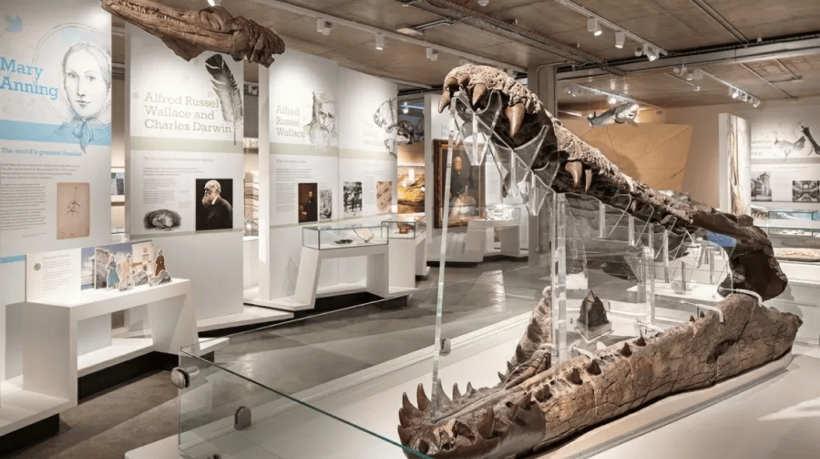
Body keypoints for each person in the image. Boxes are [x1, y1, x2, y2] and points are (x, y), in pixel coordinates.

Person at [53, 42, 112, 152]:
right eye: (72, 76)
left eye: (90, 78)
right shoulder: (55, 136)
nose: (80, 91)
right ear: (63, 81)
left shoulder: (110, 136)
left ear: (107, 85)